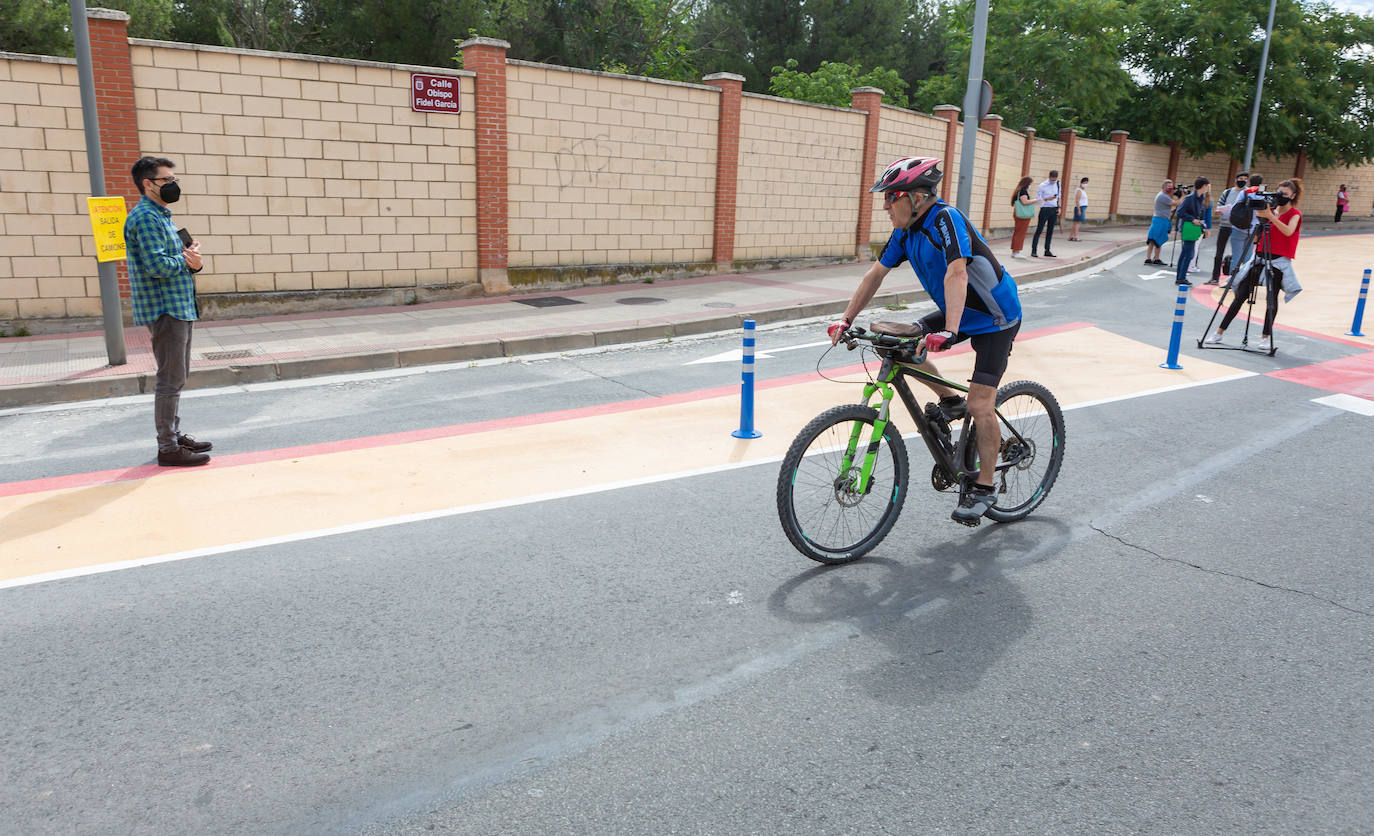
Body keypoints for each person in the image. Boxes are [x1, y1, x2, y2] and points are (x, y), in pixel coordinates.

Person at [827, 156, 1022, 525]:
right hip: (959, 310)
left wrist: (948, 331)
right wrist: (845, 319)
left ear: (917, 197)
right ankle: (950, 399)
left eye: (890, 197)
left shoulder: (947, 219)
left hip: (995, 316)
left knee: (981, 404)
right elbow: (875, 274)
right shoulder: (905, 230)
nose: (885, 206)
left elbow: (957, 271)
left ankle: (984, 486)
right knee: (891, 341)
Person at [125, 156, 213, 467]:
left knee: (177, 376)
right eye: (167, 180)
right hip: (166, 308)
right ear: (148, 184)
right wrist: (188, 262)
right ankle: (167, 447)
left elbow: (169, 257)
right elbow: (158, 266)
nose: (174, 185)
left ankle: (173, 436)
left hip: (178, 304)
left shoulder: (161, 215)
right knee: (170, 378)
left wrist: (189, 256)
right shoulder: (147, 218)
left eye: (174, 179)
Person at [1207, 178, 1304, 353]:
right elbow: (1257, 233)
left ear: (1293, 196)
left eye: (1286, 194)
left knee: (1271, 299)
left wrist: (1271, 217)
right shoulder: (1270, 210)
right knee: (1240, 295)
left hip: (1278, 261)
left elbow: (1289, 231)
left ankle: (1265, 338)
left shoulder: (1294, 214)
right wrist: (1264, 216)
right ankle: (1219, 332)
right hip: (1259, 256)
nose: (1281, 197)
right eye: (1279, 193)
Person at [1208, 171, 1247, 285]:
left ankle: (1234, 279)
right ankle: (1215, 277)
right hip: (1225, 225)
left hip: (1239, 227)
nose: (1242, 181)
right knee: (1219, 253)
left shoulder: (1247, 193)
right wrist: (1222, 210)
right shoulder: (1227, 192)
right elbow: (1218, 209)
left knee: (1238, 254)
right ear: (1235, 179)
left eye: (1245, 179)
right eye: (1241, 178)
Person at [1173, 177, 1210, 286]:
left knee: (1185, 253)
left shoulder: (1199, 198)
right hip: (1189, 226)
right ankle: (1181, 277)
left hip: (1193, 227)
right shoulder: (1190, 198)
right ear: (1203, 186)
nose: (1207, 188)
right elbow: (1179, 212)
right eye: (1206, 186)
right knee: (1189, 254)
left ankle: (1180, 277)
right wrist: (1192, 219)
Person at [1145, 179, 1180, 265]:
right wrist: (1183, 196)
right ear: (1163, 187)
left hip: (1160, 219)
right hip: (1160, 220)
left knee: (1154, 240)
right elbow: (1176, 203)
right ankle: (1153, 258)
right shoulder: (1163, 196)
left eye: (1172, 187)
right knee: (1155, 240)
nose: (1171, 189)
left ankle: (1152, 258)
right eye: (1169, 187)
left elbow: (1166, 208)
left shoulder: (1163, 195)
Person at [1031, 170, 1061, 257]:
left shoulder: (1058, 184)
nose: (1053, 181)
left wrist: (1059, 208)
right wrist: (1047, 199)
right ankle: (1034, 250)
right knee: (1039, 230)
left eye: (1055, 180)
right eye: (1052, 179)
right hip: (1045, 209)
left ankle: (1047, 250)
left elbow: (1059, 197)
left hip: (1054, 209)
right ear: (1049, 177)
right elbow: (1038, 199)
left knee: (1050, 231)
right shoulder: (1042, 185)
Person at [1009, 176, 1035, 260]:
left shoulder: (1019, 190)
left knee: (1018, 232)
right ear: (1027, 184)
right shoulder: (1023, 191)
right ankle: (1017, 251)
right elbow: (1025, 202)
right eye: (1030, 184)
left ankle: (1015, 251)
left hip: (1018, 213)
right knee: (1020, 233)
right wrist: (1036, 200)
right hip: (1022, 215)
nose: (1030, 186)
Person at [1069, 177, 1088, 241]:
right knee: (1078, 223)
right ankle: (1075, 237)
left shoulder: (1083, 190)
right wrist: (1079, 210)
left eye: (1086, 183)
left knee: (1075, 223)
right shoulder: (1079, 190)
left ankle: (1071, 236)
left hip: (1082, 207)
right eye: (1084, 183)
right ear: (1081, 182)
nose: (1085, 184)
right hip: (1080, 207)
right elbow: (1077, 200)